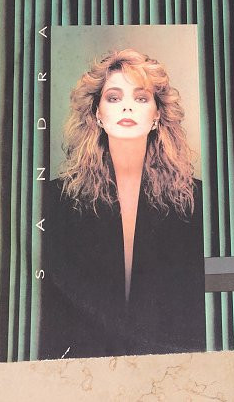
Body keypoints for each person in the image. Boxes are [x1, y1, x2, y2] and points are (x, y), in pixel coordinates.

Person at [39, 48, 205, 359]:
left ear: (157, 115)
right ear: (97, 113)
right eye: (114, 97)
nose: (127, 106)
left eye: (141, 98)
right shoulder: (54, 198)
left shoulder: (198, 200)